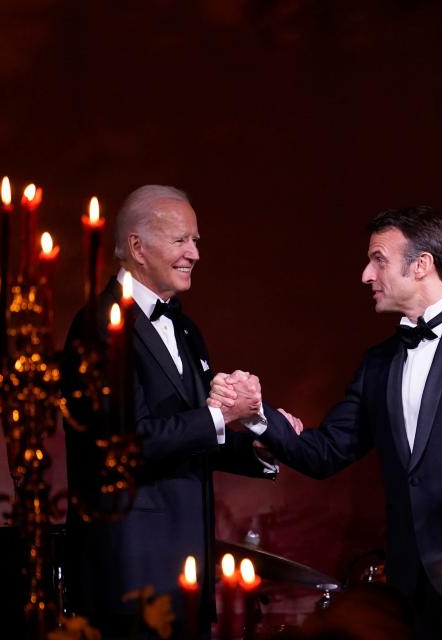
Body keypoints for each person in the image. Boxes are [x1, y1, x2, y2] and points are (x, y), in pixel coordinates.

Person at [209, 206, 442, 639]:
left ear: (422, 264)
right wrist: (256, 415)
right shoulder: (378, 364)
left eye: (378, 260)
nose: (366, 275)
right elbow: (325, 453)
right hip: (413, 586)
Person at [61, 185, 273, 639]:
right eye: (182, 241)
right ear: (137, 247)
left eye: (195, 241)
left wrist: (258, 442)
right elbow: (125, 445)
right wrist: (220, 415)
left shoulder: (185, 326)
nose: (194, 254)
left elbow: (191, 435)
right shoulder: (98, 326)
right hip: (130, 573)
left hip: (187, 571)